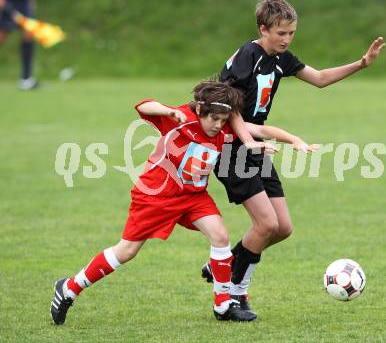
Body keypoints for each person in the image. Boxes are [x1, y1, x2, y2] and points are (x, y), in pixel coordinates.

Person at [50, 79, 319, 325]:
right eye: (214, 118)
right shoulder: (182, 118)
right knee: (127, 251)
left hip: (192, 197)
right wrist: (168, 112)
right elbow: (145, 105)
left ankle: (223, 304)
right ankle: (70, 288)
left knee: (220, 236)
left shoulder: (224, 128)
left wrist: (295, 140)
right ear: (200, 109)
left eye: (223, 119)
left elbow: (259, 128)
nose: (218, 124)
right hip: (155, 196)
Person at [201, 0, 386, 317]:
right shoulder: (249, 56)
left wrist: (361, 64)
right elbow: (224, 107)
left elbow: (321, 78)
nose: (287, 39)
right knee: (265, 224)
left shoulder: (279, 59)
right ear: (263, 29)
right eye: (281, 33)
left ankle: (225, 263)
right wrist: (246, 138)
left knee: (282, 227)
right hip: (233, 148)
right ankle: (234, 296)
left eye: (291, 33)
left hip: (256, 145)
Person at [0, 0, 39, 90]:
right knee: (2, 35)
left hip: (23, 2)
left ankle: (26, 79)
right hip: (7, 0)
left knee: (28, 34)